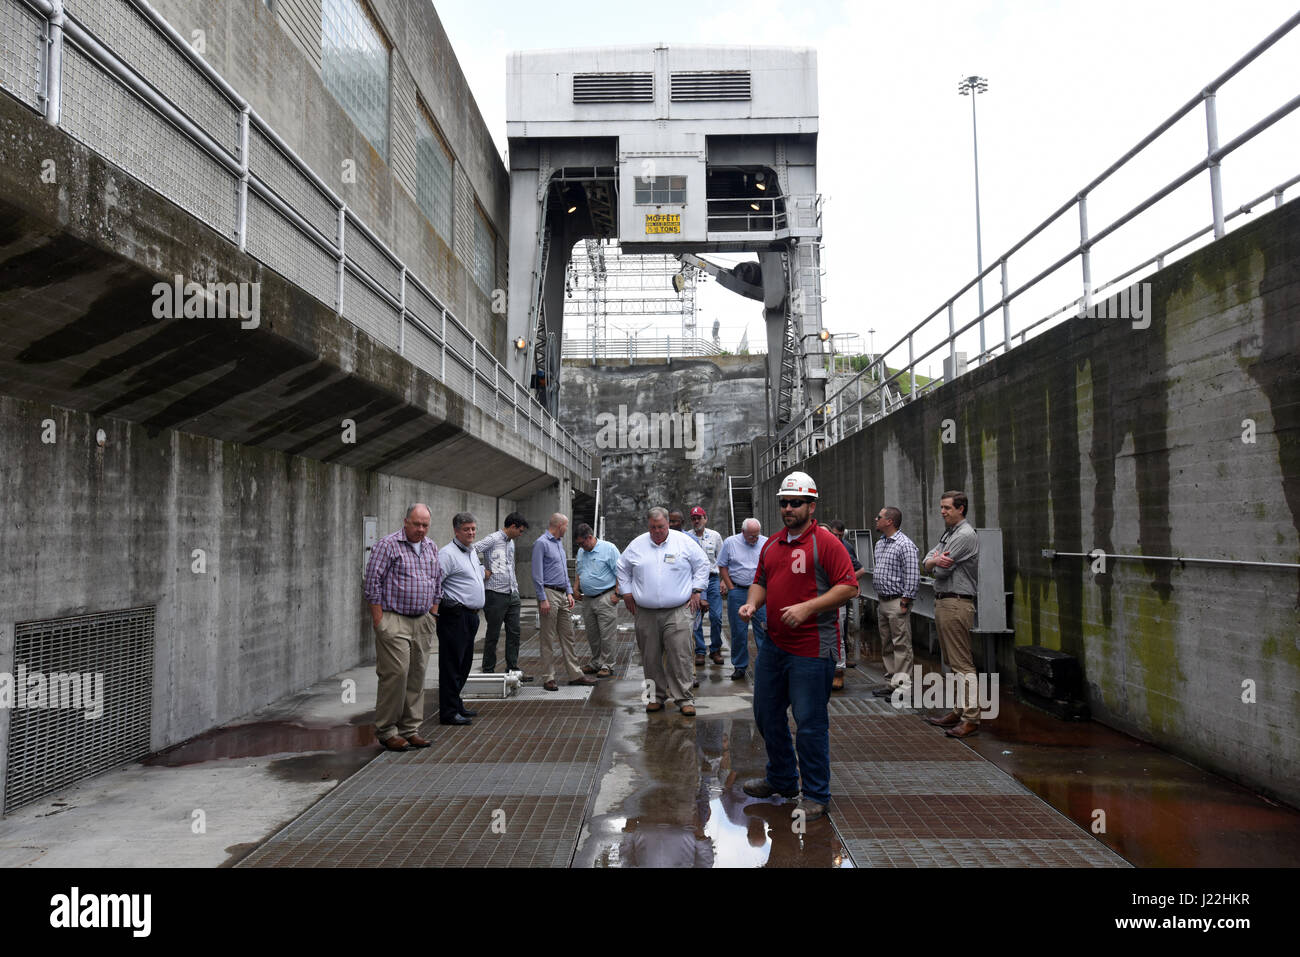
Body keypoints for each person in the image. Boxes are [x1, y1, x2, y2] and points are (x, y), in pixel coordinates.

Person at [739, 471, 858, 822]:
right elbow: (761, 581)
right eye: (784, 503)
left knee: (809, 723)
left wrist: (808, 607)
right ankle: (783, 779)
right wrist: (752, 604)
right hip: (775, 646)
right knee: (766, 713)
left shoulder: (826, 543)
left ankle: (817, 793)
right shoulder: (772, 545)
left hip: (811, 649)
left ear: (811, 505)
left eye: (795, 503)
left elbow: (849, 586)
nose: (788, 508)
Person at [362, 504, 441, 751]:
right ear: (405, 521)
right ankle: (387, 730)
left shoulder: (431, 546)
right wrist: (379, 621)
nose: (420, 529)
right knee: (396, 674)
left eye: (425, 525)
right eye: (416, 524)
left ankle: (410, 729)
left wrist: (433, 613)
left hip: (423, 620)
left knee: (417, 674)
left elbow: (437, 581)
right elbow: (372, 582)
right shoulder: (388, 545)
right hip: (394, 618)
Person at [616, 507, 709, 715]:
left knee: (681, 655)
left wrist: (697, 590)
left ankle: (684, 698)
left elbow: (702, 564)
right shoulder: (637, 544)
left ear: (668, 524)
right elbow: (622, 568)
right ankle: (653, 697)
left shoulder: (684, 542)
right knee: (649, 657)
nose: (657, 531)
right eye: (652, 527)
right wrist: (627, 592)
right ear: (647, 525)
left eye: (661, 527)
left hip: (678, 610)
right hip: (645, 612)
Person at [922, 490, 981, 737]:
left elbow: (941, 572)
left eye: (947, 507)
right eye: (942, 507)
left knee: (962, 664)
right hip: (945, 602)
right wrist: (935, 561)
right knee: (952, 662)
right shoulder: (950, 533)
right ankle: (958, 711)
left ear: (961, 509)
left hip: (956, 603)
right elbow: (926, 561)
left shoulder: (965, 535)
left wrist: (934, 563)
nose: (942, 511)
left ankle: (971, 718)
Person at [532, 513, 596, 692]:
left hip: (562, 594)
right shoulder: (541, 543)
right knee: (547, 637)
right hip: (549, 593)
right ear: (559, 525)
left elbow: (562, 570)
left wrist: (569, 592)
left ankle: (575, 674)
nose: (567, 529)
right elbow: (537, 574)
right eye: (566, 526)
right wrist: (542, 598)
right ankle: (548, 677)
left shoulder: (559, 544)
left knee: (568, 636)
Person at [436, 512, 486, 726]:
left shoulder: (471, 551)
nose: (471, 533)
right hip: (454, 616)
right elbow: (435, 583)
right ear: (456, 531)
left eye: (473, 529)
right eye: (466, 529)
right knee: (451, 665)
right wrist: (445, 605)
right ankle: (448, 712)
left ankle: (456, 704)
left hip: (471, 617)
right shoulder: (446, 554)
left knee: (464, 664)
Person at [474, 511, 531, 681]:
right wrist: (481, 570)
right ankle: (488, 670)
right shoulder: (492, 539)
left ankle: (512, 668)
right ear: (512, 527)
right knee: (493, 633)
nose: (521, 534)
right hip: (495, 594)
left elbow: (510, 565)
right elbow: (471, 550)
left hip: (512, 592)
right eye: (520, 531)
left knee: (514, 632)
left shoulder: (511, 543)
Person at [870, 506, 919, 699]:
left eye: (879, 517)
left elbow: (912, 575)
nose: (876, 519)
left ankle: (903, 689)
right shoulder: (880, 543)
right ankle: (891, 682)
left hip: (897, 601)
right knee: (887, 645)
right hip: (882, 600)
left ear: (889, 521)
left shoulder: (904, 545)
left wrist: (905, 601)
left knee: (901, 645)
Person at [717, 518, 768, 681]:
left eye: (756, 535)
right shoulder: (730, 542)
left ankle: (765, 665)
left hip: (760, 591)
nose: (754, 539)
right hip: (738, 590)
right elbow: (722, 565)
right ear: (743, 532)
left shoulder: (766, 542)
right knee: (739, 630)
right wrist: (731, 587)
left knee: (763, 628)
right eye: (751, 536)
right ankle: (739, 666)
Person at [574, 523, 621, 678]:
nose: (580, 546)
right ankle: (596, 662)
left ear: (590, 537)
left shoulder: (609, 549)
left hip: (605, 596)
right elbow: (579, 571)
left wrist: (617, 594)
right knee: (592, 633)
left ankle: (608, 664)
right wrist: (575, 588)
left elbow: (621, 572)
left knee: (607, 634)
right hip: (587, 599)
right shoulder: (582, 551)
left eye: (582, 543)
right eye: (578, 544)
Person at [827, 520, 868, 689]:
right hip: (817, 599)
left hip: (837, 599)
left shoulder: (842, 549)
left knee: (838, 636)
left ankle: (838, 671)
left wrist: (850, 584)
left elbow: (857, 569)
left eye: (838, 536)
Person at [687, 506, 726, 668]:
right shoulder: (687, 537)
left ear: (705, 518)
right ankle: (700, 650)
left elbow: (723, 559)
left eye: (699, 517)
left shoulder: (715, 536)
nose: (697, 521)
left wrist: (723, 580)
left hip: (712, 579)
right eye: (694, 518)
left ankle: (716, 649)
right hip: (694, 581)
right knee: (696, 618)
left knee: (716, 617)